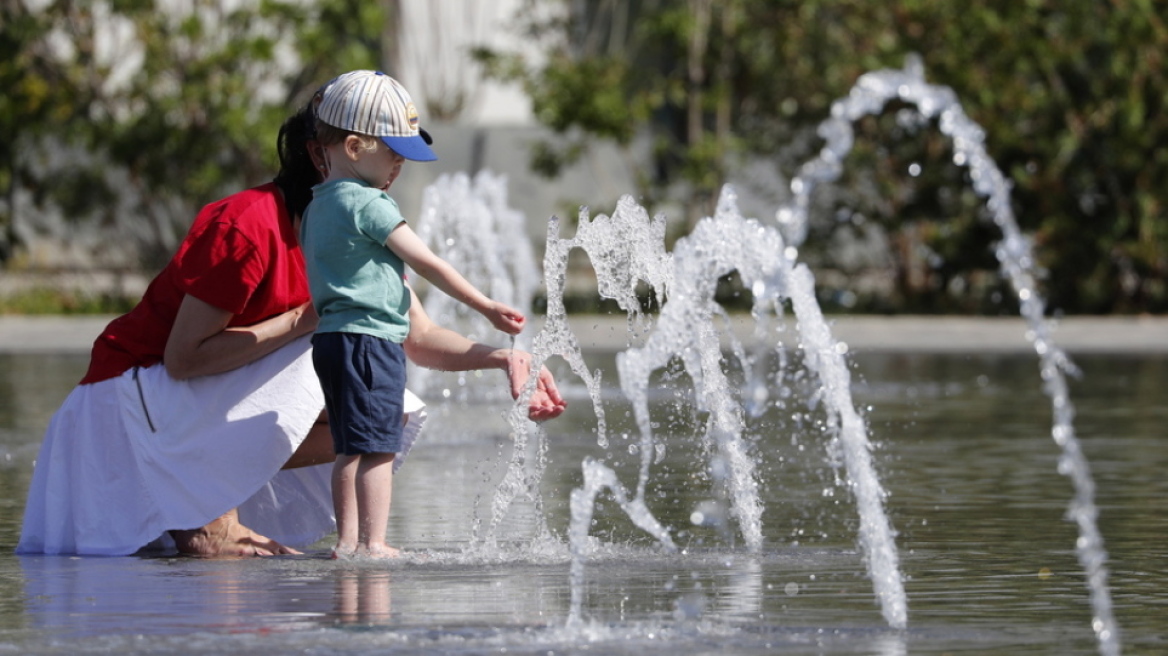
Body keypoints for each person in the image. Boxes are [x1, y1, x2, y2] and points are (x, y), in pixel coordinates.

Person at [15, 77, 566, 559]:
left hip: (185, 409)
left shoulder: (362, 229)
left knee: (385, 409)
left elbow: (417, 338)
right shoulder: (248, 225)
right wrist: (302, 320)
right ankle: (207, 513)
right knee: (329, 345)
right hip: (123, 406)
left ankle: (221, 505)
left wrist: (503, 357)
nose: (397, 168)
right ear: (330, 153)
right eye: (388, 152)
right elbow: (183, 359)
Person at [299, 70, 526, 559]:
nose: (399, 165)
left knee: (348, 446)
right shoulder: (370, 203)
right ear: (354, 147)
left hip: (332, 340)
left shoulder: (317, 207)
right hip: (370, 341)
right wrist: (485, 306)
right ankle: (373, 542)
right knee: (380, 446)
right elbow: (427, 262)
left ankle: (347, 541)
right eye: (393, 153)